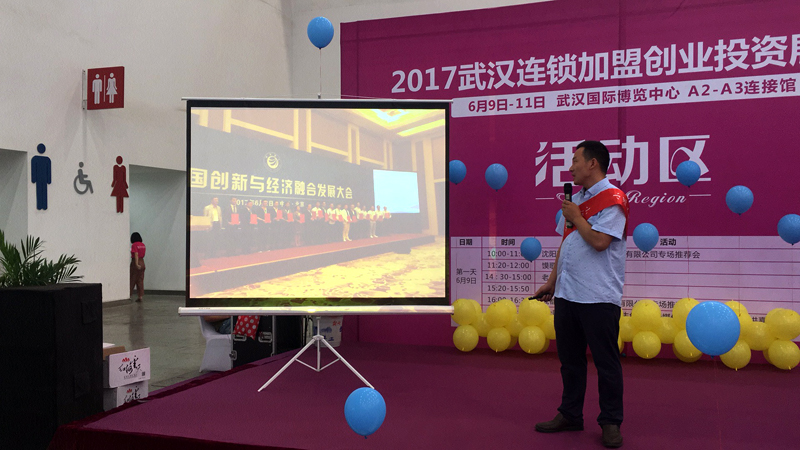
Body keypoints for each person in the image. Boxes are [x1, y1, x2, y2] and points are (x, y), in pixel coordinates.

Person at [532, 141, 629, 449]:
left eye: (575, 160)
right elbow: (568, 242)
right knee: (570, 361)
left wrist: (577, 217)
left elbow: (600, 242)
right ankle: (570, 413)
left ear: (592, 164)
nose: (571, 167)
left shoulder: (613, 199)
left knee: (606, 363)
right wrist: (552, 281)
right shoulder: (576, 201)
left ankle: (610, 422)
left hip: (598, 296)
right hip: (567, 293)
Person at [130, 232, 146, 302]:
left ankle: (129, 295)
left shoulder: (134, 245)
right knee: (140, 280)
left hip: (136, 262)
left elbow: (136, 254)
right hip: (142, 262)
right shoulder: (143, 245)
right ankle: (140, 296)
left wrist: (136, 264)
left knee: (132, 279)